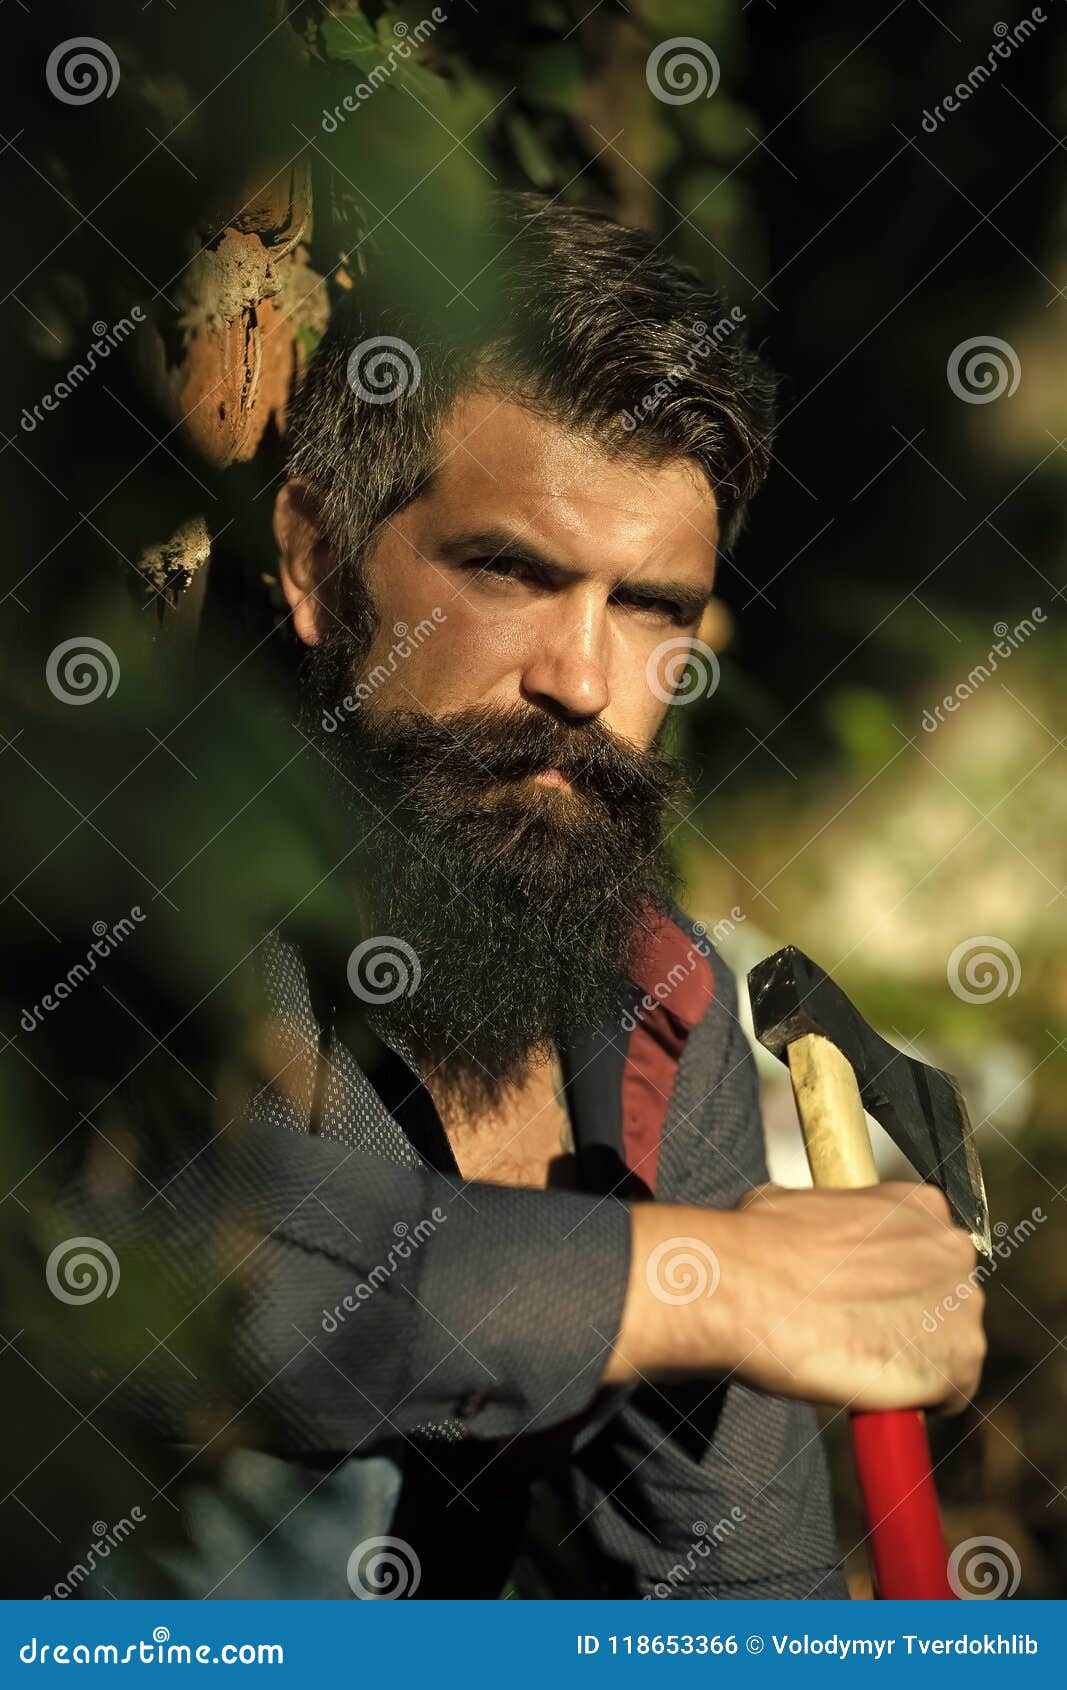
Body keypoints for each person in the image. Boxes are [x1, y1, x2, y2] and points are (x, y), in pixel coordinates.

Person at [63, 194, 985, 1600]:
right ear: (317, 561)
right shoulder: (145, 885)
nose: (581, 679)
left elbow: (740, 1596)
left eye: (650, 606)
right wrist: (721, 1282)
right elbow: (248, 1285)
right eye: (510, 570)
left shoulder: (660, 1010)